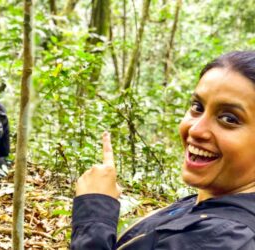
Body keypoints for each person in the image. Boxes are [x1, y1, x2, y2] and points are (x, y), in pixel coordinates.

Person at [71, 51, 255, 249]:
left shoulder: (222, 238)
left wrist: (94, 212)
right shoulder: (210, 203)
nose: (196, 129)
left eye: (229, 119)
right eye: (197, 107)